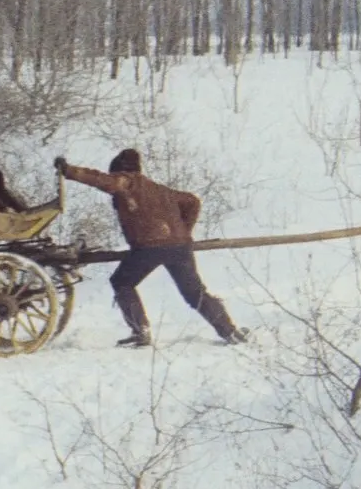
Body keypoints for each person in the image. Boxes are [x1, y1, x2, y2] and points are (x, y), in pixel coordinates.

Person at [53, 149, 248, 348]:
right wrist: (182, 231)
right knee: (194, 293)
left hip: (149, 248)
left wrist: (69, 171)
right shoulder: (158, 189)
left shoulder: (126, 181)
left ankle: (140, 331)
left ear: (119, 170)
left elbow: (101, 180)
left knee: (121, 282)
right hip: (180, 248)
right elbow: (192, 201)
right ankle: (230, 332)